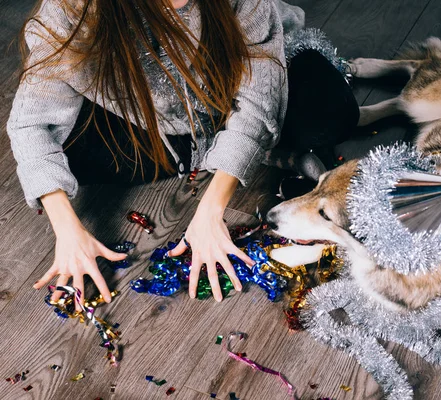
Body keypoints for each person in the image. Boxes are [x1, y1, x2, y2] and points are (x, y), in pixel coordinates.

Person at [7, 0, 358, 308]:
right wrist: (67, 230)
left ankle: (231, 147)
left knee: (329, 111)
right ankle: (233, 148)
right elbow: (32, 123)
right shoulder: (74, 9)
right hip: (152, 113)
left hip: (230, 90)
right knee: (69, 157)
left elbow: (257, 101)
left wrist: (211, 209)